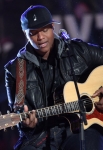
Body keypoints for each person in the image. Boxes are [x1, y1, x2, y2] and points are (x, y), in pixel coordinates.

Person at [4, 5, 103, 150]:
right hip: (40, 137)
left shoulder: (77, 50)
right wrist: (26, 123)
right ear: (26, 34)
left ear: (52, 27)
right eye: (33, 33)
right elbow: (20, 115)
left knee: (89, 144)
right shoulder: (15, 70)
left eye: (44, 30)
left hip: (83, 129)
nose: (40, 37)